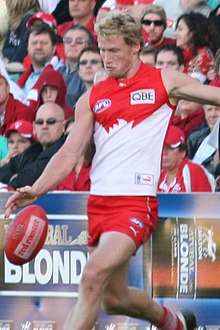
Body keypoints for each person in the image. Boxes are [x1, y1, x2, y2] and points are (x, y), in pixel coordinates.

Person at [5, 11, 220, 330]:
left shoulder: (164, 81)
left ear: (135, 46)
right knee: (112, 298)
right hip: (99, 204)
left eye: (114, 50)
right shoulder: (93, 96)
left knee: (91, 277)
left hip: (135, 203)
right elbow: (70, 151)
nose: (106, 58)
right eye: (102, 50)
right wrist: (37, 188)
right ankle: (174, 323)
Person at [0, 102, 66, 191]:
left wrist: (16, 178)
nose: (44, 126)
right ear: (34, 126)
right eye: (40, 122)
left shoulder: (64, 147)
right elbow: (5, 169)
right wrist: (13, 178)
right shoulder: (34, 149)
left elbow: (30, 177)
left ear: (63, 126)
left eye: (51, 121)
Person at [158, 125, 215, 192]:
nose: (164, 153)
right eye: (161, 147)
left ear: (183, 152)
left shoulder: (193, 170)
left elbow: (204, 201)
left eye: (170, 148)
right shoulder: (159, 174)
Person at [17, 24, 63, 97]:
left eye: (44, 43)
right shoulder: (24, 78)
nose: (38, 47)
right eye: (34, 43)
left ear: (54, 48)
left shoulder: (62, 73)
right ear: (28, 49)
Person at [175, 12, 220, 83]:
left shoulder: (203, 56)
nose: (175, 33)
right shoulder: (187, 53)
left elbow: (190, 87)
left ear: (194, 33)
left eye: (180, 29)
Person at [58, 25, 95, 107]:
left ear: (89, 46)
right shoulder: (58, 71)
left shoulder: (92, 71)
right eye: (68, 41)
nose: (72, 44)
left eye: (79, 41)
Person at [2, 0, 40, 68]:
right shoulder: (14, 19)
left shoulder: (28, 20)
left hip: (20, 69)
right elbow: (5, 49)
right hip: (9, 64)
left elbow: (21, 55)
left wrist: (9, 58)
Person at [187, 104, 220, 177]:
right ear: (204, 113)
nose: (213, 114)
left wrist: (216, 166)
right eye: (209, 110)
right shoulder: (194, 139)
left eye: (217, 109)